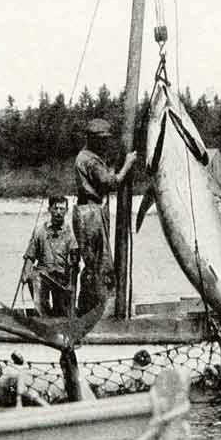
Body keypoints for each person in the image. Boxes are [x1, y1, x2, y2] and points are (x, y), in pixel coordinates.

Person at [72, 117, 137, 315]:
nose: (105, 142)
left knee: (93, 265)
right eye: (102, 139)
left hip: (86, 211)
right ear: (93, 139)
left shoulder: (86, 156)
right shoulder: (90, 160)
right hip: (91, 213)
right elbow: (111, 183)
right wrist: (128, 164)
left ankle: (87, 309)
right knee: (100, 265)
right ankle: (98, 312)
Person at [21, 194, 80, 317]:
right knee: (34, 277)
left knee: (62, 312)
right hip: (44, 275)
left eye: (62, 209)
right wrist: (25, 273)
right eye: (56, 208)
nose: (58, 212)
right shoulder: (40, 230)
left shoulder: (71, 233)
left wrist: (71, 284)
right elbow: (30, 256)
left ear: (66, 211)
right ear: (50, 209)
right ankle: (43, 314)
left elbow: (75, 263)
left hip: (61, 277)